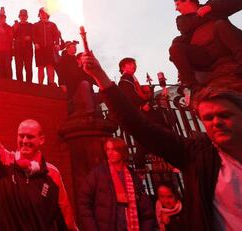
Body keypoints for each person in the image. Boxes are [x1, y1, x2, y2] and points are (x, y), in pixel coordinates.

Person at [81, 52, 242, 230]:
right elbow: (139, 126)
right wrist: (100, 76)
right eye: (208, 118)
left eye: (225, 115)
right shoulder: (198, 156)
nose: (216, 122)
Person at [0, 68, 78, 231]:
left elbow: (66, 220)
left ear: (41, 140)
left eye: (30, 137)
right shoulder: (6, 162)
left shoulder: (52, 174)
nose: (24, 141)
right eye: (21, 136)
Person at [78, 137, 155, 231]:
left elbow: (146, 211)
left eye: (114, 149)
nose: (110, 153)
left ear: (122, 152)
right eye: (108, 149)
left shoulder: (133, 176)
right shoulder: (97, 174)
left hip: (130, 225)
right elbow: (84, 203)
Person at [169, 0, 242, 90]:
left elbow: (237, 2)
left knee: (220, 24)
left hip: (224, 45)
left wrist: (211, 7)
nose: (176, 9)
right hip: (205, 55)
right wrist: (208, 15)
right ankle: (191, 86)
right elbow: (186, 27)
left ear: (187, 1)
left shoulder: (212, 5)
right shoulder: (182, 20)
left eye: (178, 4)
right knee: (175, 48)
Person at [57, 41, 96, 115]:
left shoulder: (76, 61)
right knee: (84, 84)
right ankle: (90, 111)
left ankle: (91, 110)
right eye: (73, 47)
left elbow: (87, 76)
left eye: (76, 47)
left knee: (85, 84)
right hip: (72, 90)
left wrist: (100, 84)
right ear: (68, 49)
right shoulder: (63, 59)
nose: (75, 48)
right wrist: (61, 83)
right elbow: (61, 72)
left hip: (81, 87)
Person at [33, 8, 62, 85]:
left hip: (50, 48)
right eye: (41, 13)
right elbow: (34, 35)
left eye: (44, 13)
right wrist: (35, 43)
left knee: (50, 66)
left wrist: (57, 44)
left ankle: (51, 83)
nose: (43, 14)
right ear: (39, 15)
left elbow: (57, 35)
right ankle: (40, 84)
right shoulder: (36, 25)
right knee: (40, 67)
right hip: (39, 48)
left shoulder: (52, 25)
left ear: (47, 14)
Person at [12, 9, 34, 83]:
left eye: (24, 16)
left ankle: (29, 85)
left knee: (28, 68)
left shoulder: (31, 26)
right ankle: (19, 84)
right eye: (21, 16)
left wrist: (30, 37)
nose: (23, 17)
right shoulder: (15, 25)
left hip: (28, 49)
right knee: (18, 68)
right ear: (19, 16)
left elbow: (35, 36)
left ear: (27, 17)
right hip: (18, 49)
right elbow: (12, 36)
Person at [0, 13, 13, 79]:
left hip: (7, 51)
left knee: (7, 67)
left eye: (3, 18)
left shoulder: (9, 27)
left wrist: (3, 32)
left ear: (5, 19)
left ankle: (9, 82)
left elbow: (10, 38)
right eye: (0, 18)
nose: (1, 20)